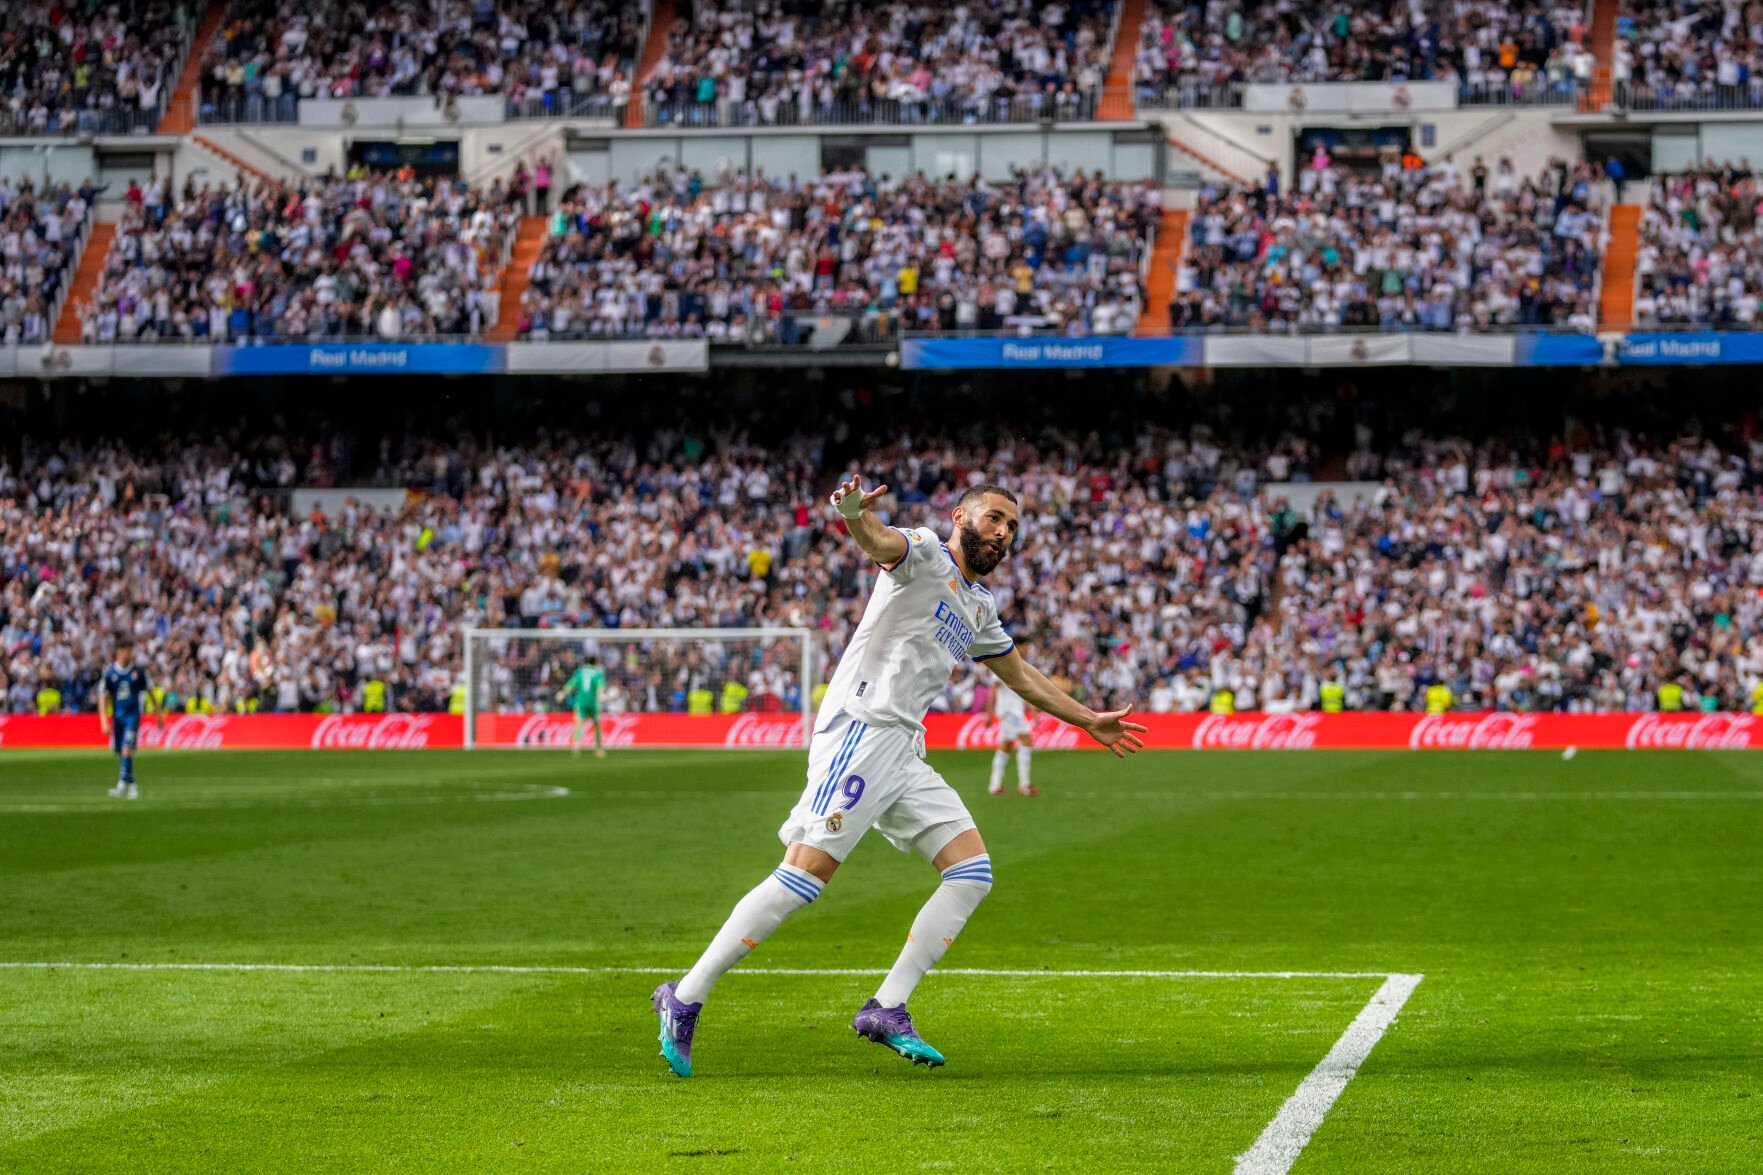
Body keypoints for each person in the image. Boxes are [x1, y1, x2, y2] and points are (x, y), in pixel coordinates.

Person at [653, 477, 1147, 1077]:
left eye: (1012, 527)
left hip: (905, 748)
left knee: (971, 873)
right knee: (805, 875)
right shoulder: (925, 553)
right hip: (861, 731)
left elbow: (1024, 678)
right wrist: (854, 512)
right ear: (960, 515)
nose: (1003, 532)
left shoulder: (979, 605)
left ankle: (887, 1007)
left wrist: (1088, 718)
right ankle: (686, 994)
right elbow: (878, 541)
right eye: (994, 518)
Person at [100, 640, 163, 799]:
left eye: (130, 649)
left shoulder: (138, 672)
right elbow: (103, 697)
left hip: (132, 716)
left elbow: (150, 692)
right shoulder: (110, 673)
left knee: (127, 748)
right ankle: (133, 785)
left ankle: (121, 785)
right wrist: (104, 720)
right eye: (126, 649)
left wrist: (159, 713)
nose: (129, 653)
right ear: (119, 651)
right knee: (122, 752)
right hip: (117, 717)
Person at [986, 681, 1037, 796]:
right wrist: (989, 714)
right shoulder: (1000, 664)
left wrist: (1032, 709)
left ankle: (995, 786)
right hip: (1009, 712)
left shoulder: (1013, 665)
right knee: (1026, 739)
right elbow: (993, 690)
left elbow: (1023, 690)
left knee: (1005, 746)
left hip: (1011, 712)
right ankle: (1025, 785)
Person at [555, 655, 607, 757]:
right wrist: (601, 694)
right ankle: (598, 749)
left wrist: (562, 693)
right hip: (593, 703)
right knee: (597, 724)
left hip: (580, 702)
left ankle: (576, 747)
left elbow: (571, 685)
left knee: (578, 724)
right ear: (595, 662)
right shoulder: (597, 673)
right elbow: (600, 686)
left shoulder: (579, 672)